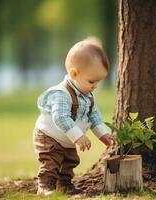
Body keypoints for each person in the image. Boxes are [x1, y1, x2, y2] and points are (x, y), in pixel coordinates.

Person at [33, 37, 115, 196]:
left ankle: (64, 184)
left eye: (98, 82)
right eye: (92, 81)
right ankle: (45, 186)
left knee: (70, 161)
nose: (95, 87)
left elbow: (94, 116)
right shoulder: (61, 93)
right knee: (51, 161)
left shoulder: (87, 94)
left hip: (67, 138)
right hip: (49, 136)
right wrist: (78, 136)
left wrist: (103, 135)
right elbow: (60, 118)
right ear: (74, 73)